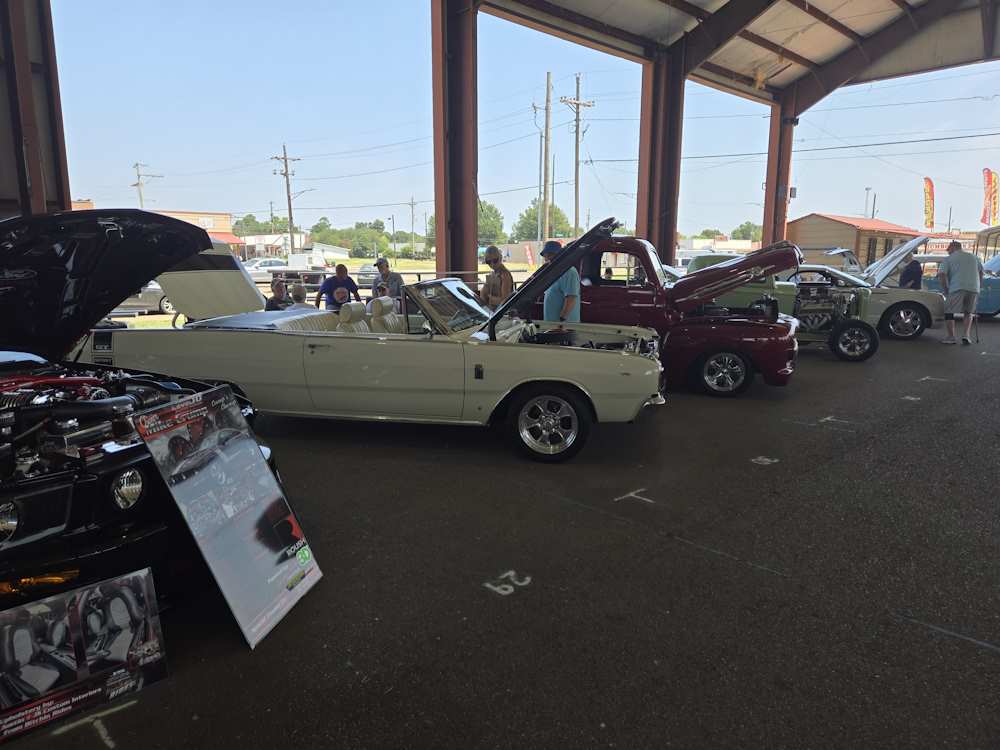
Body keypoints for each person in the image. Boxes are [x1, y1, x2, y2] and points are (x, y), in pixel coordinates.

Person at [938, 240, 984, 345]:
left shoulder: (949, 259)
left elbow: (942, 275)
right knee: (968, 312)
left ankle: (951, 337)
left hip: (957, 287)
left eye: (948, 249)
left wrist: (946, 289)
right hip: (974, 288)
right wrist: (979, 287)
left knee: (949, 312)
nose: (947, 251)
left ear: (954, 247)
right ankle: (966, 336)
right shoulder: (974, 257)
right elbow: (981, 272)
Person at [541, 240, 580, 324]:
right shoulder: (553, 272)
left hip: (563, 325)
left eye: (551, 254)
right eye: (546, 255)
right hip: (552, 324)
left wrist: (562, 319)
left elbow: (571, 298)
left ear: (560, 255)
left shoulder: (569, 271)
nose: (547, 258)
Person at [479, 245, 514, 309]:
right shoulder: (493, 274)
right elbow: (483, 294)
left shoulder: (505, 275)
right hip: (492, 310)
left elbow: (505, 301)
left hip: (502, 312)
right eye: (488, 262)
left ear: (500, 258)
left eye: (495, 260)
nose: (492, 264)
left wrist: (489, 298)